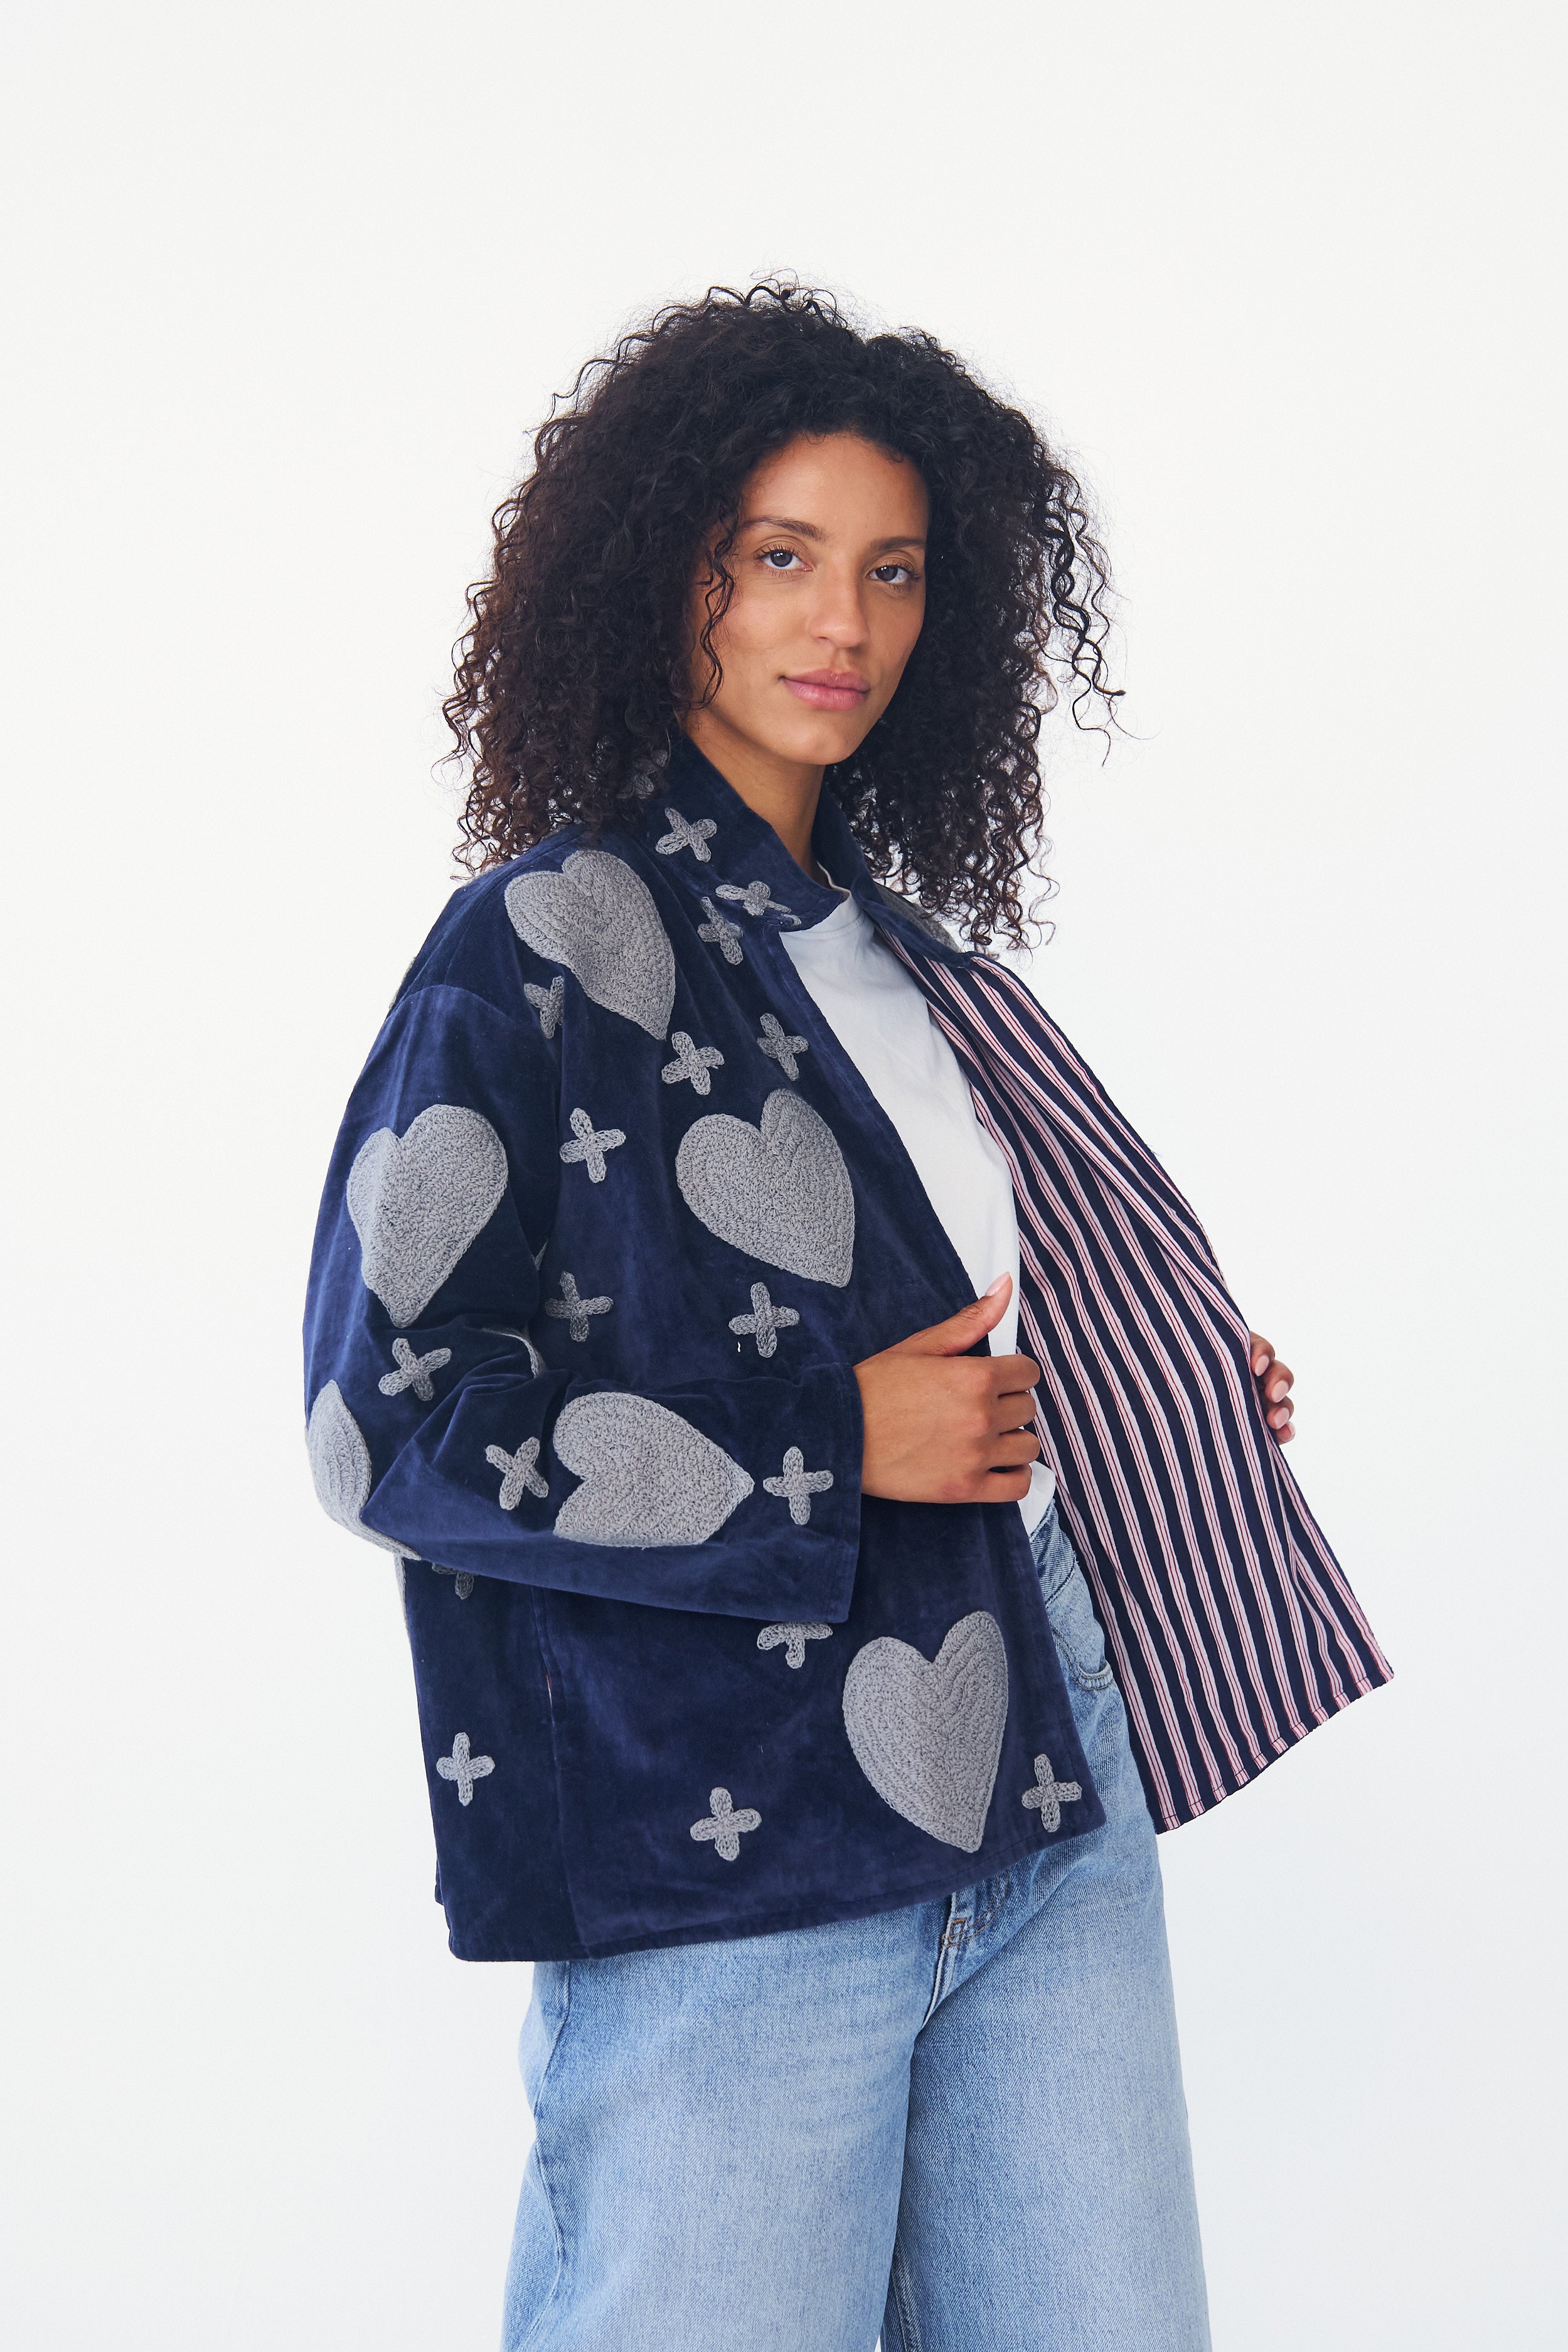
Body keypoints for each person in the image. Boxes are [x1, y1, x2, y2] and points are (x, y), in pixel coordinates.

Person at [303, 283, 1389, 2351]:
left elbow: (973, 1315)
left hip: (1041, 1773)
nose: (845, 622)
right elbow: (388, 1422)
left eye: (891, 569)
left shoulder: (911, 967)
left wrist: (1152, 1382)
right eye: (780, 555)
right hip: (733, 1845)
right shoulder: (531, 946)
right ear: (666, 574)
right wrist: (826, 1444)